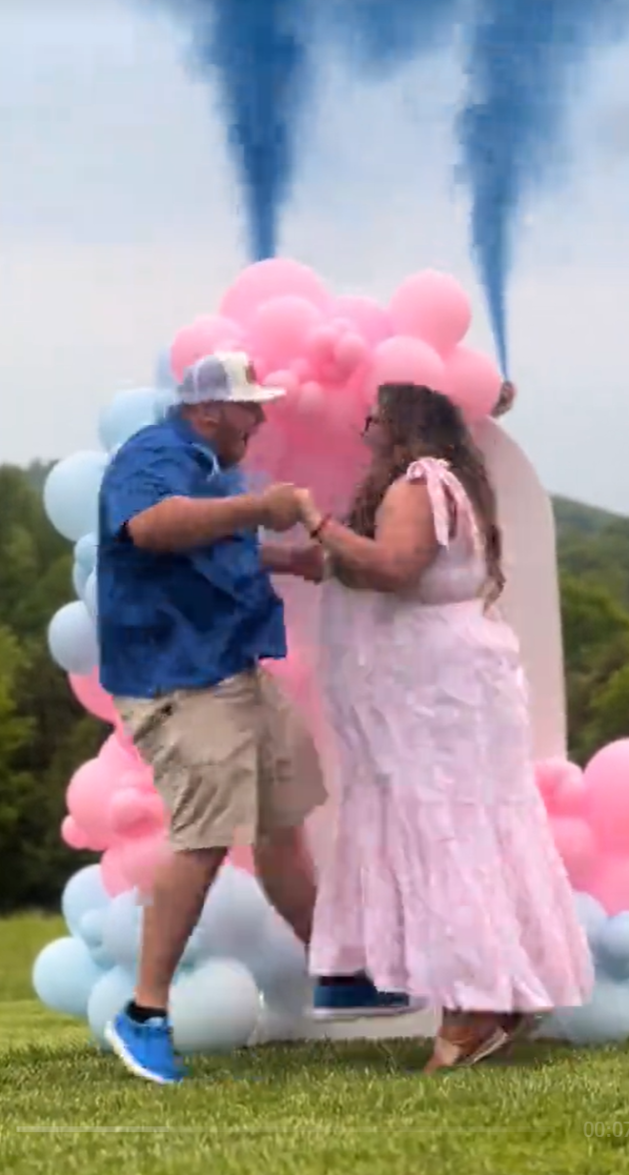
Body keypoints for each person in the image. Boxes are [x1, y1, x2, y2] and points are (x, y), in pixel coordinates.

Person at [97, 352, 413, 1085]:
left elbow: (204, 545)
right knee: (204, 838)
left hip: (233, 670)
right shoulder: (156, 453)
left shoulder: (206, 460)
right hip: (181, 681)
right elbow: (149, 527)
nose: (262, 417)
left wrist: (281, 557)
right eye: (250, 406)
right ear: (209, 409)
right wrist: (260, 508)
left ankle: (333, 972)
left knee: (282, 821)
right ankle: (143, 1013)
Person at [293, 381, 594, 1073]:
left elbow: (395, 568)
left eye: (375, 418)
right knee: (474, 830)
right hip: (453, 687)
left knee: (446, 831)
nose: (366, 429)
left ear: (401, 426)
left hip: (437, 693)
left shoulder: (418, 483)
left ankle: (473, 1007)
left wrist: (313, 521)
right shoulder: (447, 484)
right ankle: (499, 990)